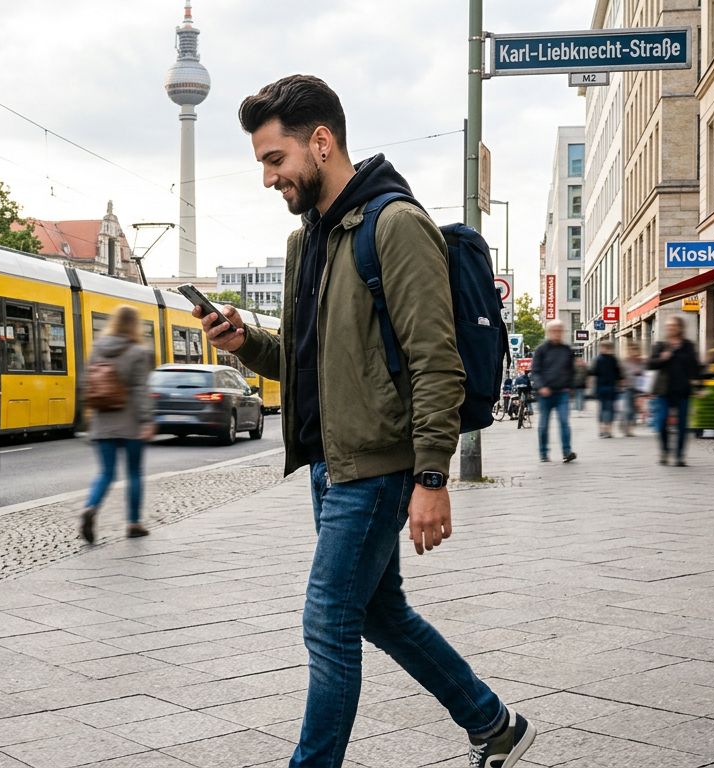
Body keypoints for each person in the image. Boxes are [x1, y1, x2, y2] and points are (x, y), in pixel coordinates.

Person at [197, 75, 534, 768]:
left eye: (274, 158)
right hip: (332, 464)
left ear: (320, 143)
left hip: (379, 467)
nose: (268, 178)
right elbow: (311, 361)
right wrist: (246, 343)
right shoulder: (307, 242)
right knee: (380, 613)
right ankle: (493, 723)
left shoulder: (394, 224)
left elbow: (436, 362)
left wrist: (434, 475)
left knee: (328, 621)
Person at [80, 306, 156, 543]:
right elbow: (141, 390)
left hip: (103, 421)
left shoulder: (97, 350)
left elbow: (86, 384)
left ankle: (90, 507)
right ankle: (133, 523)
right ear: (135, 325)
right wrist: (147, 420)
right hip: (131, 422)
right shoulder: (138, 352)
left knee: (105, 473)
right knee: (134, 473)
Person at [647, 316, 702, 466]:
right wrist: (662, 358)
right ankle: (665, 451)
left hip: (682, 390)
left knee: (683, 425)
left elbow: (695, 367)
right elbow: (650, 364)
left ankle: (679, 455)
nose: (670, 328)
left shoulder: (688, 346)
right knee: (662, 421)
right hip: (663, 390)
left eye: (673, 326)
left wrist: (699, 386)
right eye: (668, 326)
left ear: (680, 328)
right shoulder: (661, 346)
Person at [532, 320, 577, 463]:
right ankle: (543, 452)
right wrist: (541, 386)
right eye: (554, 330)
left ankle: (567, 451)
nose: (557, 333)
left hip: (562, 393)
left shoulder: (567, 350)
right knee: (544, 424)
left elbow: (572, 371)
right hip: (545, 393)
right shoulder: (541, 350)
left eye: (560, 330)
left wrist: (570, 386)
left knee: (564, 422)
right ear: (549, 332)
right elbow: (536, 372)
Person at [590, 340, 624, 438]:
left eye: (604, 347)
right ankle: (605, 430)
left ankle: (605, 430)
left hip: (606, 388)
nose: (603, 349)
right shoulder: (611, 359)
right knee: (607, 410)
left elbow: (593, 374)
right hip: (607, 388)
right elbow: (619, 375)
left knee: (606, 409)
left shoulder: (600, 359)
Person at [621, 345, 645, 436]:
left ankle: (629, 428)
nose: (634, 353)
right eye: (632, 350)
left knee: (635, 410)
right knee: (628, 409)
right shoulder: (625, 362)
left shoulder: (641, 362)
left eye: (635, 350)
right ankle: (627, 428)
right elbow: (621, 374)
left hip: (638, 389)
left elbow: (644, 374)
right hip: (628, 388)